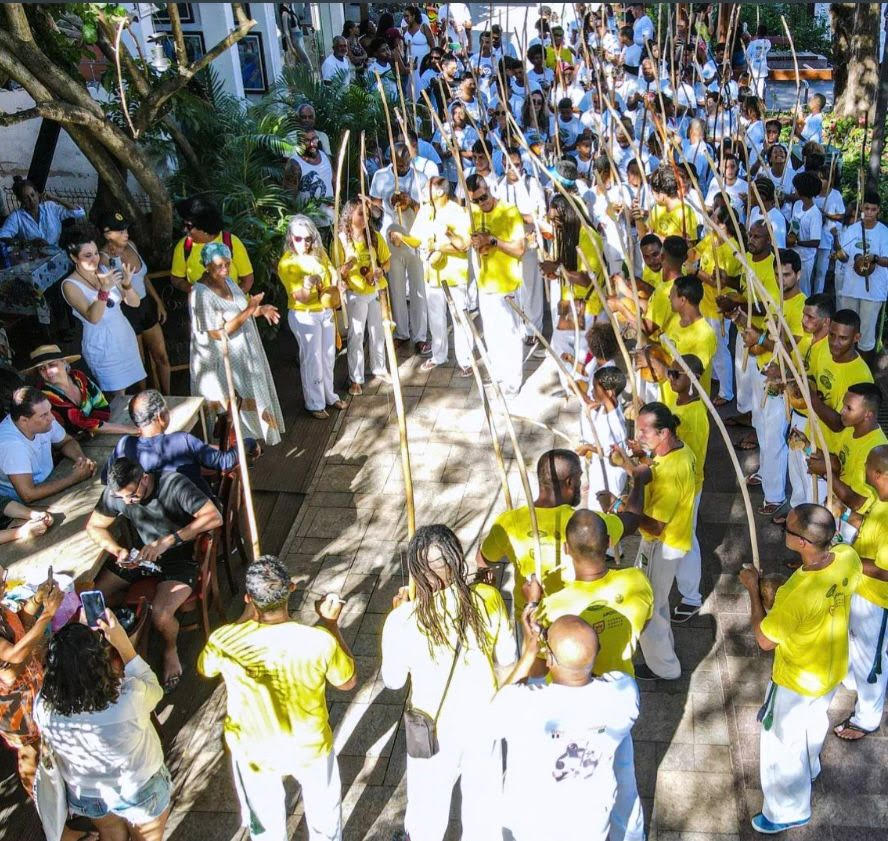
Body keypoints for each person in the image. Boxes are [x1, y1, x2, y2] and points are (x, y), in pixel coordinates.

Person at [199, 556, 356, 841]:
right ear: (291, 589)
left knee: (267, 832)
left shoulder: (223, 641)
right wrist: (330, 623)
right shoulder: (319, 640)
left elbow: (206, 669)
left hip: (253, 751)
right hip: (310, 746)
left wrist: (245, 618)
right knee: (326, 823)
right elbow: (347, 682)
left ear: (248, 599)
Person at [381, 525, 516, 841]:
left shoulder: (402, 620)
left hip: (433, 731)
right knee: (483, 819)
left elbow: (394, 681)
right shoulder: (489, 598)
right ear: (456, 559)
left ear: (417, 572)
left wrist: (400, 616)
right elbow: (507, 660)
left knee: (425, 818)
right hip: (483, 722)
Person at [739, 504, 861, 834]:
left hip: (796, 679)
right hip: (832, 669)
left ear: (803, 542)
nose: (784, 533)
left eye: (788, 530)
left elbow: (764, 640)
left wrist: (753, 590)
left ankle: (787, 810)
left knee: (782, 743)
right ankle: (810, 768)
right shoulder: (848, 557)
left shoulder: (796, 594)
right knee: (813, 722)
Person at [487, 609, 640, 841]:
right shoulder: (624, 695)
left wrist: (529, 653)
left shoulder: (525, 705)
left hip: (532, 823)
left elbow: (499, 710)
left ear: (549, 659)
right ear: (598, 651)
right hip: (591, 823)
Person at [87, 457, 223, 691]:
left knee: (161, 614)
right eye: (121, 498)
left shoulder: (174, 484)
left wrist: (168, 541)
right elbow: (94, 526)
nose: (127, 502)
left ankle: (170, 648)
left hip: (180, 558)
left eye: (132, 495)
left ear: (144, 479)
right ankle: (115, 646)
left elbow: (214, 516)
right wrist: (117, 550)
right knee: (94, 598)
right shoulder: (117, 494)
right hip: (141, 556)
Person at [34, 611, 172, 841]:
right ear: (101, 661)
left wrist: (77, 642)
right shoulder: (128, 699)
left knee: (110, 833)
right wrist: (124, 645)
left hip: (88, 793)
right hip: (139, 787)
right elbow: (155, 690)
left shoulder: (43, 707)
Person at [621, 402, 696, 681]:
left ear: (663, 433)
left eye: (644, 431)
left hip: (661, 545)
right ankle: (664, 656)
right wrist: (641, 458)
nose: (638, 436)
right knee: (659, 601)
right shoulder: (677, 450)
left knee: (647, 606)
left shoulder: (673, 471)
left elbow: (654, 525)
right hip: (668, 542)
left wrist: (625, 510)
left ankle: (664, 668)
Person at [189, 241, 285, 444]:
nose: (225, 269)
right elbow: (217, 333)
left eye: (227, 264)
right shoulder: (200, 294)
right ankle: (235, 449)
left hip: (245, 354)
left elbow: (241, 309)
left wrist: (260, 309)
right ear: (207, 266)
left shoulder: (229, 282)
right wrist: (249, 310)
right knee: (232, 407)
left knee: (251, 396)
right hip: (222, 361)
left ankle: (251, 443)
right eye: (219, 266)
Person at [744, 248, 805, 517]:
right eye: (777, 274)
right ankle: (767, 473)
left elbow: (792, 350)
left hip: (781, 381)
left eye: (787, 274)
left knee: (773, 437)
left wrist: (760, 340)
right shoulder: (774, 300)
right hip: (763, 372)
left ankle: (775, 495)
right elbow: (770, 339)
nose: (781, 280)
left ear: (798, 274)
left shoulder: (802, 306)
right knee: (762, 430)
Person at [103, 389, 259, 495]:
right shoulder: (181, 441)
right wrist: (250, 443)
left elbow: (107, 478)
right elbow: (225, 461)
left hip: (154, 522)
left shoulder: (124, 445)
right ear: (160, 417)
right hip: (194, 512)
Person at [835, 445, 888, 740]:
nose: (863, 467)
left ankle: (867, 719)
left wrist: (845, 555)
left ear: (879, 473)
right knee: (856, 645)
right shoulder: (880, 497)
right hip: (860, 590)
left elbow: (884, 570)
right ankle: (855, 682)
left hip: (876, 600)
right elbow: (862, 518)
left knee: (872, 659)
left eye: (868, 464)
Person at [398, 177, 473, 375]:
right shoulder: (425, 211)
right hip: (432, 275)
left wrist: (438, 246)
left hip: (454, 274)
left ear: (440, 192)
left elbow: (464, 245)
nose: (423, 191)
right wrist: (401, 238)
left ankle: (466, 360)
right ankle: (439, 355)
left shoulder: (458, 212)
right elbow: (416, 239)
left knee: (459, 318)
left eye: (427, 188)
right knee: (436, 319)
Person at [0, 565, 63, 798]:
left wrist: (37, 600)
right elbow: (13, 658)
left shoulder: (1, 607)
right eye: (1, 583)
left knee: (42, 738)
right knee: (29, 749)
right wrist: (47, 614)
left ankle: (55, 792)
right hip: (13, 704)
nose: (4, 586)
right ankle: (40, 801)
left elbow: (20, 623)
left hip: (31, 688)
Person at [60, 230, 146, 397]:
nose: (95, 259)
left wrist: (127, 285)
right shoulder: (69, 285)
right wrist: (104, 290)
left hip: (123, 335)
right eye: (87, 255)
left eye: (95, 253)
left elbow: (134, 303)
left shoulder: (104, 269)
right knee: (117, 395)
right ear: (74, 258)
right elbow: (93, 317)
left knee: (133, 388)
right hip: (101, 344)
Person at [278, 215, 347, 419]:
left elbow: (332, 272)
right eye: (299, 239)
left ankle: (329, 395)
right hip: (304, 314)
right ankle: (314, 403)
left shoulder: (319, 252)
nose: (304, 243)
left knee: (328, 355)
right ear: (290, 238)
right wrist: (308, 285)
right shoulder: (287, 263)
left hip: (325, 310)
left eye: (308, 239)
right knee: (312, 358)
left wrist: (337, 284)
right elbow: (300, 297)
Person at [465, 172, 526, 395]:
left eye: (483, 197)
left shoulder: (509, 211)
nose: (481, 203)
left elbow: (520, 249)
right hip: (485, 285)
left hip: (507, 284)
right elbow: (471, 241)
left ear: (489, 189)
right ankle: (499, 375)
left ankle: (513, 382)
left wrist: (492, 241)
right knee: (492, 335)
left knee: (510, 334)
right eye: (475, 200)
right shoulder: (473, 212)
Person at [100, 211, 172, 394]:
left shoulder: (131, 245)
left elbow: (143, 277)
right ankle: (145, 399)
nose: (126, 234)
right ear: (107, 234)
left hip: (146, 305)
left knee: (162, 356)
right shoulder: (104, 258)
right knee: (139, 364)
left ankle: (169, 394)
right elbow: (118, 291)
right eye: (120, 231)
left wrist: (158, 301)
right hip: (126, 311)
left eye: (125, 229)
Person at [369, 143, 430, 355]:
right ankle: (402, 333)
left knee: (418, 290)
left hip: (414, 239)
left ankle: (420, 336)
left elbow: (426, 210)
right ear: (391, 161)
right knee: (396, 289)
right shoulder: (380, 176)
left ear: (410, 160)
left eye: (405, 164)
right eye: (398, 164)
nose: (402, 167)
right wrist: (377, 206)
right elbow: (376, 209)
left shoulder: (420, 178)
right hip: (391, 239)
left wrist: (410, 202)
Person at [667, 354, 711, 622]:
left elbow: (689, 459)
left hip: (686, 486)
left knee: (686, 539)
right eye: (670, 372)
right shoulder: (681, 401)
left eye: (676, 374)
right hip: (673, 483)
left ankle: (691, 597)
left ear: (693, 379)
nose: (670, 378)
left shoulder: (694, 415)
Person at [0, 386, 95, 503]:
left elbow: (66, 441)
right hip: (22, 503)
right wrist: (74, 478)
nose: (52, 417)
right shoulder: (11, 445)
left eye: (50, 410)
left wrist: (81, 460)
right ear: (24, 420)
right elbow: (28, 494)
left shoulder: (44, 420)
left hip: (51, 479)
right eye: (44, 415)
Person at [25, 344, 138, 437]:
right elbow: (79, 423)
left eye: (52, 365)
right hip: (72, 443)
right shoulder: (45, 395)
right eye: (42, 369)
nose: (48, 371)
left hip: (100, 431)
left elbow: (101, 404)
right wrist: (127, 429)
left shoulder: (78, 376)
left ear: (64, 362)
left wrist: (96, 427)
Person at [835, 190, 888, 363]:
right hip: (851, 288)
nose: (870, 213)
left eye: (873, 209)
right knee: (847, 330)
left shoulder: (884, 232)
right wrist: (838, 253)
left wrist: (875, 259)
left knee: (866, 334)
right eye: (866, 209)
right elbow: (845, 257)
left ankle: (866, 370)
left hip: (873, 291)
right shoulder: (852, 230)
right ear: (862, 209)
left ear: (878, 210)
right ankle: (846, 365)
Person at [171, 197, 254, 293]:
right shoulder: (184, 246)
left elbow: (247, 280)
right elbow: (176, 278)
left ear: (204, 227)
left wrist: (232, 298)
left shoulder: (231, 242)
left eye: (189, 226)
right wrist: (194, 290)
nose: (185, 230)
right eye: (183, 224)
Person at [0, 176, 85, 245]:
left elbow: (79, 213)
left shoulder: (50, 207)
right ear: (20, 200)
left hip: (55, 256)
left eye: (33, 195)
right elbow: (2, 237)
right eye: (26, 198)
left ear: (37, 194)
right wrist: (29, 243)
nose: (31, 200)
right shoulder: (17, 217)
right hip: (32, 259)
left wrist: (55, 198)